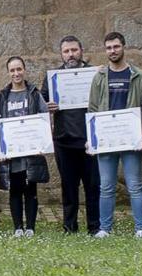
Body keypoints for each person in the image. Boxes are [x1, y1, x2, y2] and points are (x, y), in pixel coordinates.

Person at [88, 32, 142, 238]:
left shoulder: (139, 75)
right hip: (106, 140)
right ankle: (105, 229)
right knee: (106, 187)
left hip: (131, 139)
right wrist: (92, 138)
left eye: (116, 46)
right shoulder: (100, 77)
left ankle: (141, 228)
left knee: (135, 185)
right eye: (108, 48)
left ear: (123, 47)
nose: (112, 51)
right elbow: (93, 109)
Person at [40, 36, 99, 235]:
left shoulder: (94, 75)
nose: (70, 54)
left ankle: (94, 226)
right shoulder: (53, 78)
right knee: (69, 187)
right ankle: (69, 226)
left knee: (92, 186)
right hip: (64, 140)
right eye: (66, 51)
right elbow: (42, 103)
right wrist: (47, 107)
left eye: (74, 50)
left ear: (81, 50)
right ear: (61, 54)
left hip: (89, 140)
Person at [0, 56, 50, 237]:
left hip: (31, 151)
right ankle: (18, 226)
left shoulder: (34, 94)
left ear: (24, 70)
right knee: (15, 189)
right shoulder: (3, 97)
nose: (16, 73)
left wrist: (44, 144)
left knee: (30, 189)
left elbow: (45, 119)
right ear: (8, 72)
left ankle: (31, 227)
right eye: (12, 70)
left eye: (19, 69)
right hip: (11, 154)